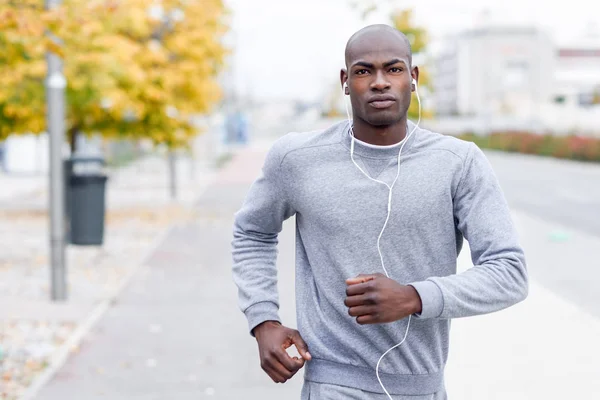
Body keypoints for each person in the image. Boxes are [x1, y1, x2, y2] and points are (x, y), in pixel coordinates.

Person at [231, 24, 528, 400]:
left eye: (394, 68)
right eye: (363, 71)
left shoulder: (458, 162)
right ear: (345, 81)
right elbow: (252, 232)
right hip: (332, 383)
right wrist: (263, 319)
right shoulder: (298, 159)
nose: (379, 82)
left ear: (413, 78)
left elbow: (509, 273)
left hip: (422, 386)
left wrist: (414, 297)